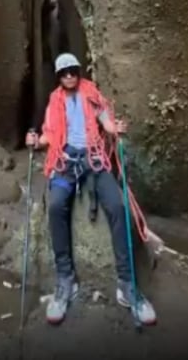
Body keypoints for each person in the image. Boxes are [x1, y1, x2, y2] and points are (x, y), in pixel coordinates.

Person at [25, 53, 157, 326]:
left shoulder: (92, 93)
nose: (69, 76)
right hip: (65, 160)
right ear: (59, 77)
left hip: (94, 158)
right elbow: (49, 135)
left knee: (117, 205)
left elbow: (106, 122)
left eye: (73, 71)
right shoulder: (54, 101)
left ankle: (127, 284)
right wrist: (36, 141)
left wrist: (115, 128)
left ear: (79, 72)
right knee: (56, 203)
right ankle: (66, 280)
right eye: (64, 73)